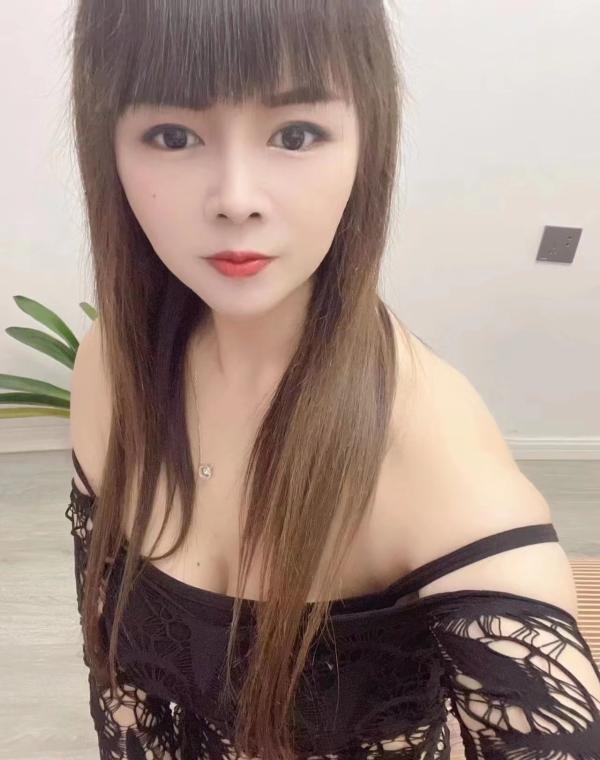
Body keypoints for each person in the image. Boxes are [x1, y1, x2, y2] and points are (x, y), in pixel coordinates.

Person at [65, 2, 600, 759]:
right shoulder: (112, 369)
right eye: (173, 136)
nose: (236, 198)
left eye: (295, 134)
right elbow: (120, 688)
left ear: (365, 140)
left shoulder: (433, 462)